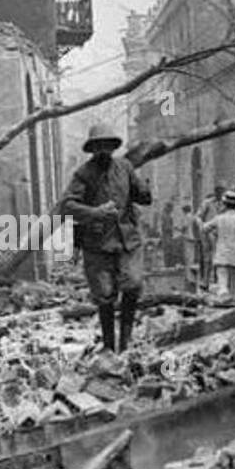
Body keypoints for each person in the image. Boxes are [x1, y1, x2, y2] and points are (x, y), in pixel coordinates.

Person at [60, 122, 152, 353]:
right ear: (92, 149)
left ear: (113, 147)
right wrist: (95, 212)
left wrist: (144, 191)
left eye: (107, 146)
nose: (103, 151)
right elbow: (68, 204)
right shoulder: (83, 173)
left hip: (127, 240)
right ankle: (110, 346)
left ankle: (126, 342)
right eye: (98, 146)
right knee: (105, 296)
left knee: (133, 284)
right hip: (97, 244)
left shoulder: (125, 167)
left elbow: (142, 195)